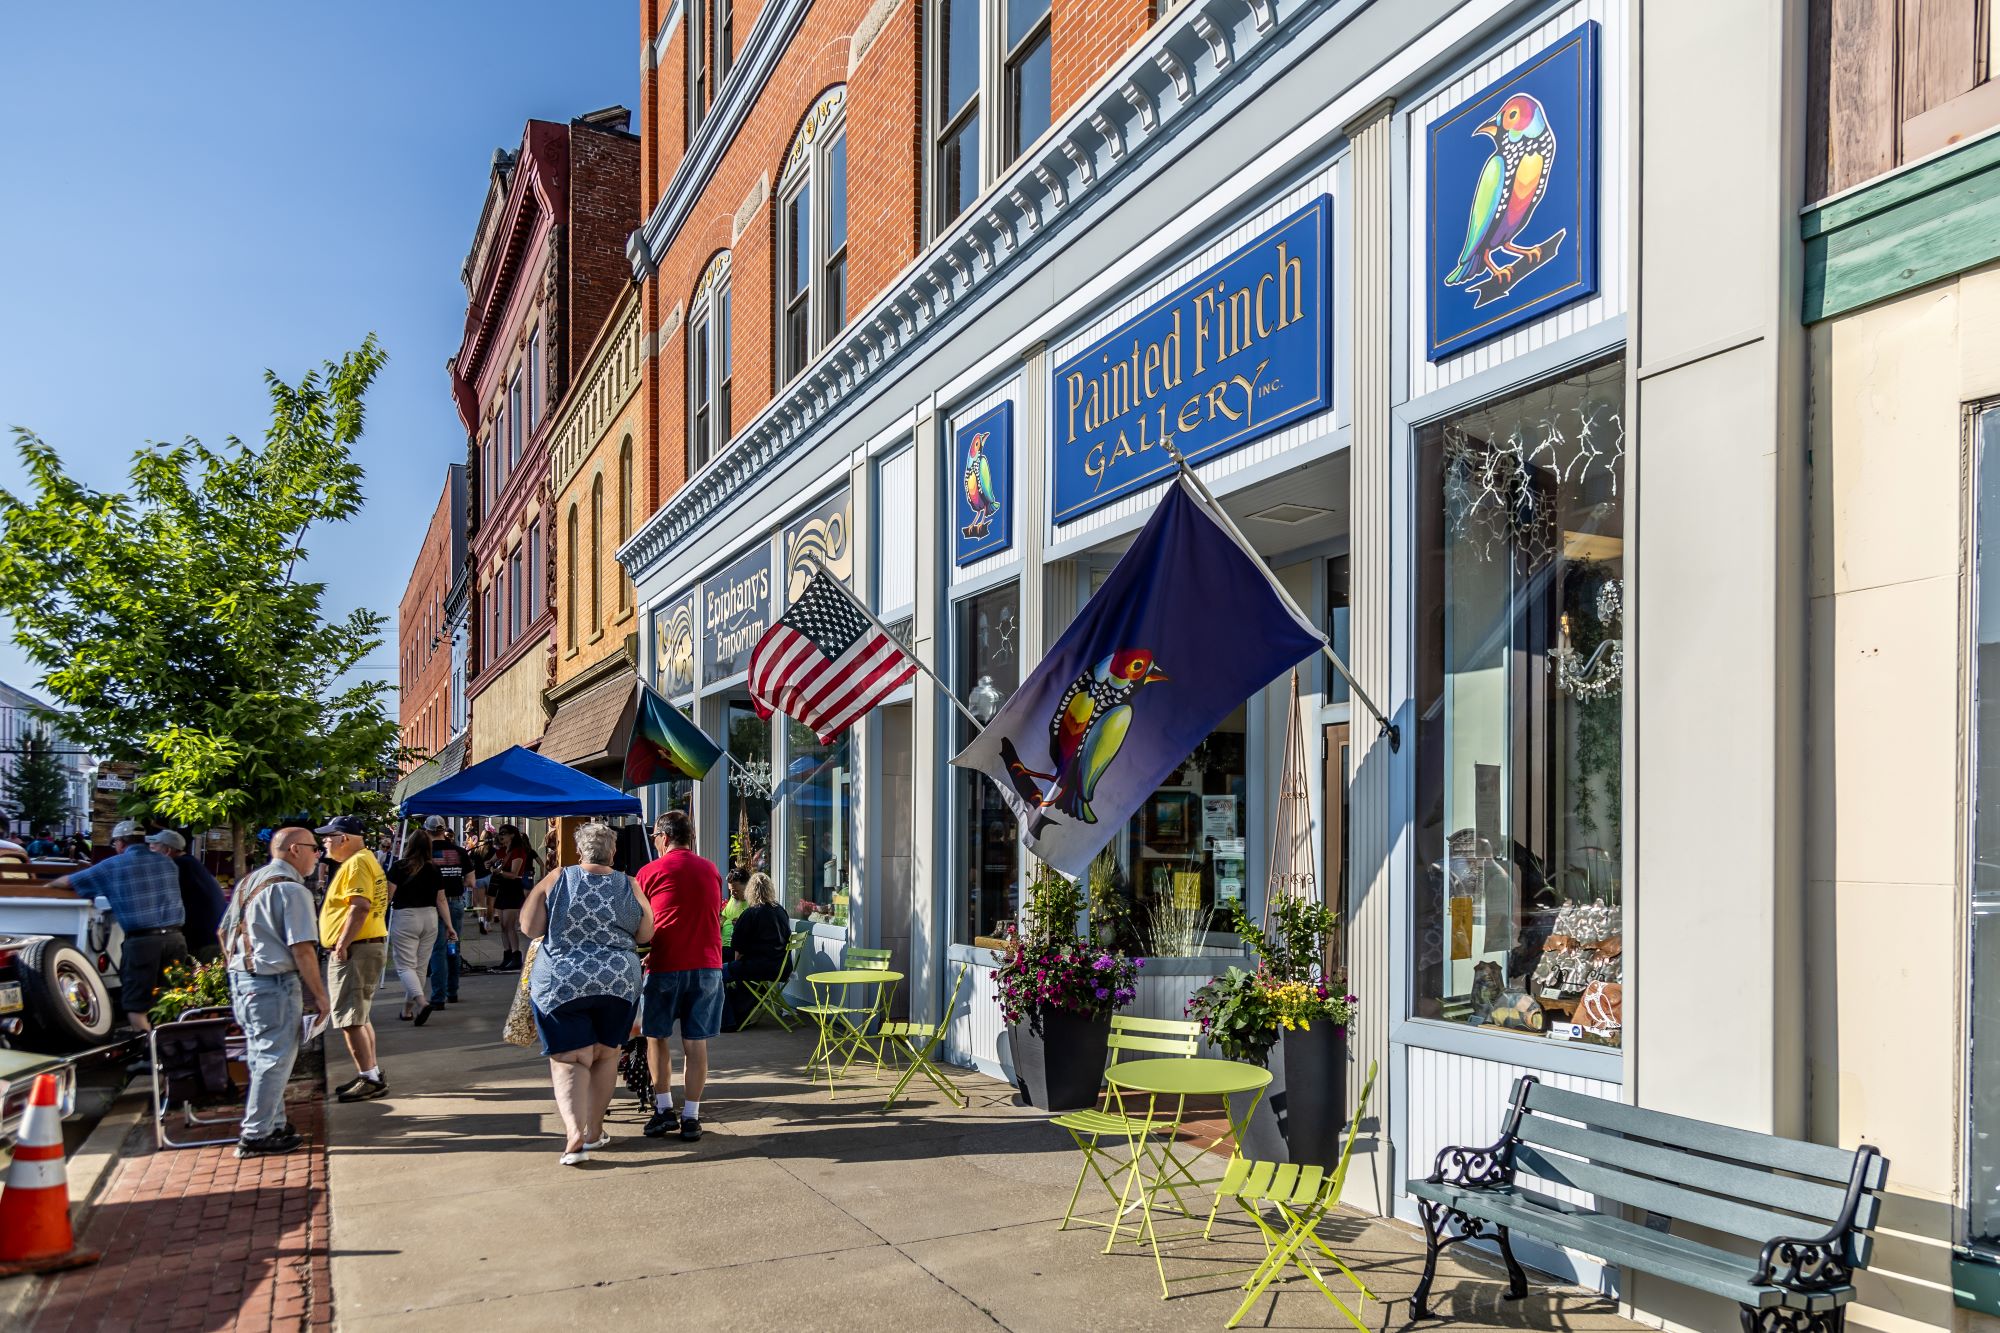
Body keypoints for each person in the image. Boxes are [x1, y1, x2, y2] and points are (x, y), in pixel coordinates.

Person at [523, 821, 652, 1165]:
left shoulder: (557, 879)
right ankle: (594, 1131)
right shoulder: (629, 884)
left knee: (570, 1058)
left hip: (562, 980)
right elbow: (645, 933)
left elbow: (530, 927)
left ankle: (573, 1132)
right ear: (613, 852)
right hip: (617, 981)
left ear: (580, 850)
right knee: (606, 1054)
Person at [220, 827, 332, 1157]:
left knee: (261, 1055)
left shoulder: (249, 883)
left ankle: (273, 1123)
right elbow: (303, 949)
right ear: (295, 849)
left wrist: (239, 967)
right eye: (314, 848)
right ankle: (256, 1133)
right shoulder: (291, 890)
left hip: (247, 980)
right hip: (273, 983)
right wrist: (320, 996)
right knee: (274, 1059)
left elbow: (222, 932)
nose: (317, 855)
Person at [50, 819, 188, 1032]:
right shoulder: (167, 863)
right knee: (171, 998)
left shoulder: (113, 865)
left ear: (121, 843)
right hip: (176, 938)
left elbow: (69, 882)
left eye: (114, 843)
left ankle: (148, 1055)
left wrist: (48, 886)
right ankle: (173, 1050)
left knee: (136, 1003)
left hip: (143, 942)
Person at [637, 809, 724, 1141]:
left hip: (665, 964)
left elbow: (640, 924)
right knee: (695, 1042)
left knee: (656, 1037)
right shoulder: (711, 870)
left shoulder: (650, 872)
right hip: (707, 965)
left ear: (663, 837)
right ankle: (691, 1116)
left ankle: (663, 1110)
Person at [316, 814, 391, 1102]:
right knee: (358, 1015)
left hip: (357, 947)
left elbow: (359, 907)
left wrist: (342, 943)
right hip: (363, 945)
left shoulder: (357, 863)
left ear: (343, 838)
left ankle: (369, 1077)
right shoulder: (364, 860)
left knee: (350, 1018)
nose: (324, 842)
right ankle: (370, 1073)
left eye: (328, 836)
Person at [387, 830, 453, 1025]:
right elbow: (441, 900)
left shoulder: (398, 867)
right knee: (421, 967)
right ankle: (407, 1010)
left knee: (405, 966)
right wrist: (449, 925)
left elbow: (388, 896)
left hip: (406, 917)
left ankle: (422, 1002)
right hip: (430, 917)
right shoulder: (434, 869)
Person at [723, 872, 792, 1030]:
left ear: (750, 891)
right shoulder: (781, 911)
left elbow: (738, 949)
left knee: (716, 974)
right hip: (782, 966)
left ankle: (727, 1020)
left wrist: (736, 966)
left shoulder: (750, 913)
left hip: (759, 967)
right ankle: (743, 1010)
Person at [146, 828, 226, 963]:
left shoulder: (178, 867)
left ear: (167, 851)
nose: (151, 854)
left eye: (154, 850)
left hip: (200, 942)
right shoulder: (191, 864)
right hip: (212, 937)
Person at [425, 817, 469, 1005]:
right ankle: (453, 991)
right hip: (455, 902)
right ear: (444, 830)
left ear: (427, 831)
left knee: (437, 950)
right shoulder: (459, 852)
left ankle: (438, 996)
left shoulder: (425, 854)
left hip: (432, 905)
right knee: (453, 946)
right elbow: (471, 881)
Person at [487, 824, 535, 971]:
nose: (501, 836)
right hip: (502, 888)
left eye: (504, 833)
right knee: (502, 926)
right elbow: (490, 861)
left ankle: (516, 956)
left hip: (513, 889)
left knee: (509, 925)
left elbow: (514, 874)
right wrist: (488, 863)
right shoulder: (502, 851)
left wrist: (498, 872)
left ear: (512, 835)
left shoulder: (518, 851)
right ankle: (507, 955)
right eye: (500, 833)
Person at [720, 866, 750, 963]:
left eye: (736, 891)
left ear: (748, 887)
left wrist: (741, 925)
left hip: (736, 951)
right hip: (722, 946)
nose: (732, 894)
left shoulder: (753, 904)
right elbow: (724, 917)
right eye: (730, 890)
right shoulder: (734, 898)